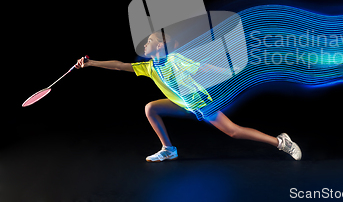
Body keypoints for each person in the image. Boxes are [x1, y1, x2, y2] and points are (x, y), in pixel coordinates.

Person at [75, 31, 301, 162]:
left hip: (199, 103)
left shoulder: (174, 60)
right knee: (150, 108)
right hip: (181, 104)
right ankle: (169, 150)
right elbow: (120, 66)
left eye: (150, 40)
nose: (146, 43)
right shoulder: (149, 67)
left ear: (160, 45)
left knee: (233, 132)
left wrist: (229, 72)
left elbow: (203, 68)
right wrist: (91, 63)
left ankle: (281, 142)